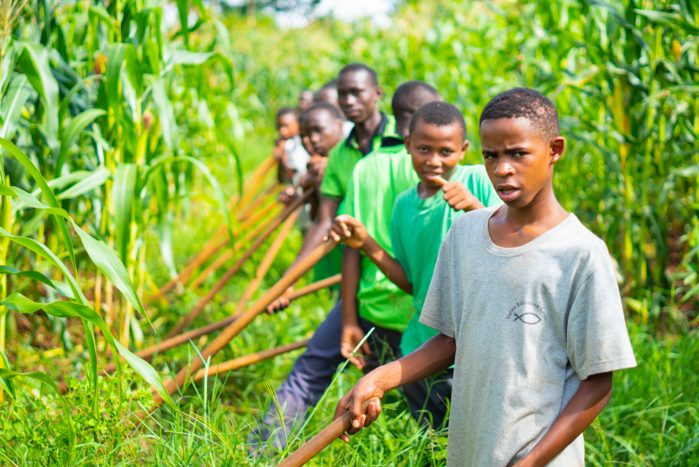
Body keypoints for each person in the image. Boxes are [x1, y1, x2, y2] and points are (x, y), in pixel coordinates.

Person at [333, 88, 637, 467]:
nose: (502, 169)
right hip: (469, 452)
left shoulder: (579, 253)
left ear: (555, 150)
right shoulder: (465, 234)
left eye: (518, 154)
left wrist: (528, 464)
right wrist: (378, 379)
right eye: (491, 155)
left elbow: (597, 384)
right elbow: (449, 341)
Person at [249, 63, 399, 452]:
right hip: (359, 277)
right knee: (313, 366)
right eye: (343, 93)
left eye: (358, 93)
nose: (349, 101)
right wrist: (292, 278)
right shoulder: (342, 157)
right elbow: (325, 221)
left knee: (423, 390)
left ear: (378, 93)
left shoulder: (403, 144)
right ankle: (258, 453)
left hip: (405, 285)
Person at [331, 100, 502, 429]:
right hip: (424, 346)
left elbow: (509, 247)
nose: (434, 161)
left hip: (474, 350)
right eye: (424, 149)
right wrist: (366, 243)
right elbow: (411, 283)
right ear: (407, 145)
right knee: (433, 444)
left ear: (463, 150)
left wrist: (474, 209)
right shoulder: (403, 205)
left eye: (446, 152)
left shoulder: (477, 180)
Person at [275, 107, 310, 186]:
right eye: (279, 126)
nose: (282, 130)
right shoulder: (287, 143)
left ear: (297, 123)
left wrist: (283, 152)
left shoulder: (305, 141)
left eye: (286, 126)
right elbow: (282, 179)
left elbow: (290, 173)